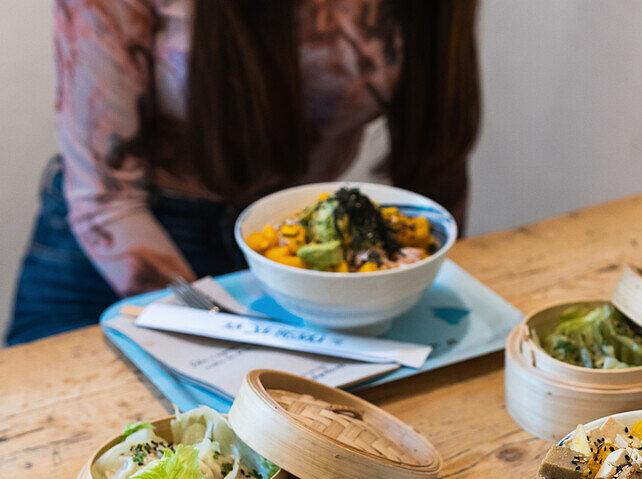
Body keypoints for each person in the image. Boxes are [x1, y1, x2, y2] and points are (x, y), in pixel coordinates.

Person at [6, 0, 480, 346]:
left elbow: (436, 158)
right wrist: (228, 338)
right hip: (110, 257)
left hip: (293, 256)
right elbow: (105, 199)